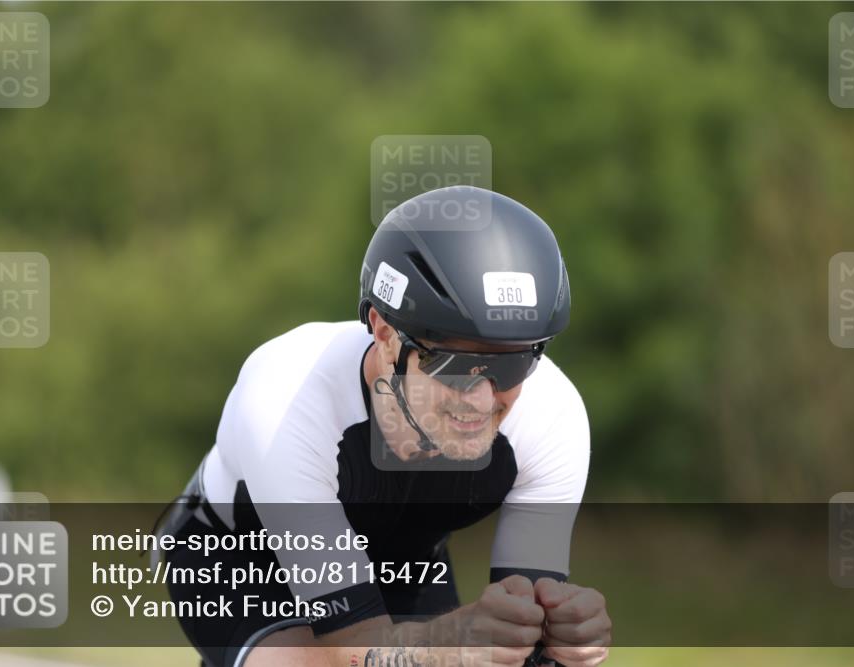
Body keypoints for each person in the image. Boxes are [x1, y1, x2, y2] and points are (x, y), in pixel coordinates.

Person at [163, 186, 611, 667]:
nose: (482, 399)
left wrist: (560, 642)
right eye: (456, 364)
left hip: (406, 560)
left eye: (515, 363)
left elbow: (525, 641)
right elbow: (353, 652)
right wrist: (450, 645)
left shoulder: (552, 414)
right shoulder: (286, 400)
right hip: (241, 560)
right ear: (384, 335)